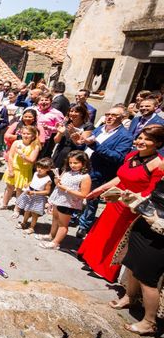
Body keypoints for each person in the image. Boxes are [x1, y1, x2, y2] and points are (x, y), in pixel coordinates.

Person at [77, 125, 164, 282]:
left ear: (158, 143)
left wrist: (128, 197)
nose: (141, 141)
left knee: (116, 238)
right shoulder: (131, 155)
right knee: (103, 232)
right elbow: (121, 177)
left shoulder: (159, 164)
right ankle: (92, 260)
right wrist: (102, 188)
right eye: (140, 137)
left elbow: (151, 193)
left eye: (148, 139)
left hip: (132, 208)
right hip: (115, 200)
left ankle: (106, 269)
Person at [109, 178, 164, 335]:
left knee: (148, 279)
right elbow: (152, 199)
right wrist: (134, 199)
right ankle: (129, 297)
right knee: (132, 265)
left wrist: (158, 223)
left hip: (159, 238)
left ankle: (149, 322)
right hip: (143, 227)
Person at [73, 105, 134, 238]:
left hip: (99, 172)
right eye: (107, 114)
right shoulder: (100, 128)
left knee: (91, 200)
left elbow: (117, 157)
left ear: (123, 118)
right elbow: (87, 144)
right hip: (83, 167)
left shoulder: (125, 136)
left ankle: (84, 225)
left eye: (114, 115)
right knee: (77, 193)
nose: (109, 117)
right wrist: (80, 143)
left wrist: (95, 146)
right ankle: (73, 215)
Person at [37, 151, 92, 249]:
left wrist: (66, 189)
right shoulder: (67, 171)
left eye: (75, 163)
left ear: (83, 163)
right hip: (58, 199)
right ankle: (51, 235)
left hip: (68, 203)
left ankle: (55, 243)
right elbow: (59, 184)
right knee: (55, 218)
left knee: (63, 224)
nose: (72, 165)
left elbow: (84, 194)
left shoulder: (85, 177)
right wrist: (56, 181)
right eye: (70, 162)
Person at [0, 125, 41, 213]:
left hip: (24, 171)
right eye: (24, 133)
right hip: (14, 168)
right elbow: (10, 156)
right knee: (9, 188)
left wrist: (21, 154)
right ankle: (4, 204)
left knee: (20, 190)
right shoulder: (16, 143)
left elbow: (32, 160)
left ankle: (17, 209)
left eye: (28, 134)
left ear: (33, 136)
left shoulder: (35, 146)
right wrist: (10, 169)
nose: (25, 135)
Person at [15, 157, 54, 234]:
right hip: (29, 193)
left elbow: (47, 191)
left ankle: (32, 227)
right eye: (38, 167)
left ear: (48, 169)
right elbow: (33, 181)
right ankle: (24, 223)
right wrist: (28, 184)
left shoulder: (47, 179)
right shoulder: (36, 173)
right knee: (26, 210)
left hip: (37, 197)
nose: (39, 169)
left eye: (42, 168)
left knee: (34, 214)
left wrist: (35, 193)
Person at [52, 105, 94, 173]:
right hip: (60, 151)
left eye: (76, 111)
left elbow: (81, 143)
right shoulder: (66, 123)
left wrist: (73, 132)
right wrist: (60, 133)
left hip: (74, 154)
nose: (73, 113)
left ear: (82, 113)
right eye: (71, 111)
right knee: (54, 173)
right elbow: (56, 141)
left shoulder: (88, 126)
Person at [34, 92, 64, 159]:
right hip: (32, 138)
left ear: (51, 102)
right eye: (41, 100)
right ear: (38, 102)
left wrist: (48, 128)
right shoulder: (34, 110)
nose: (44, 102)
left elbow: (60, 129)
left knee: (41, 159)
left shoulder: (57, 113)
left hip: (46, 141)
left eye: (46, 100)